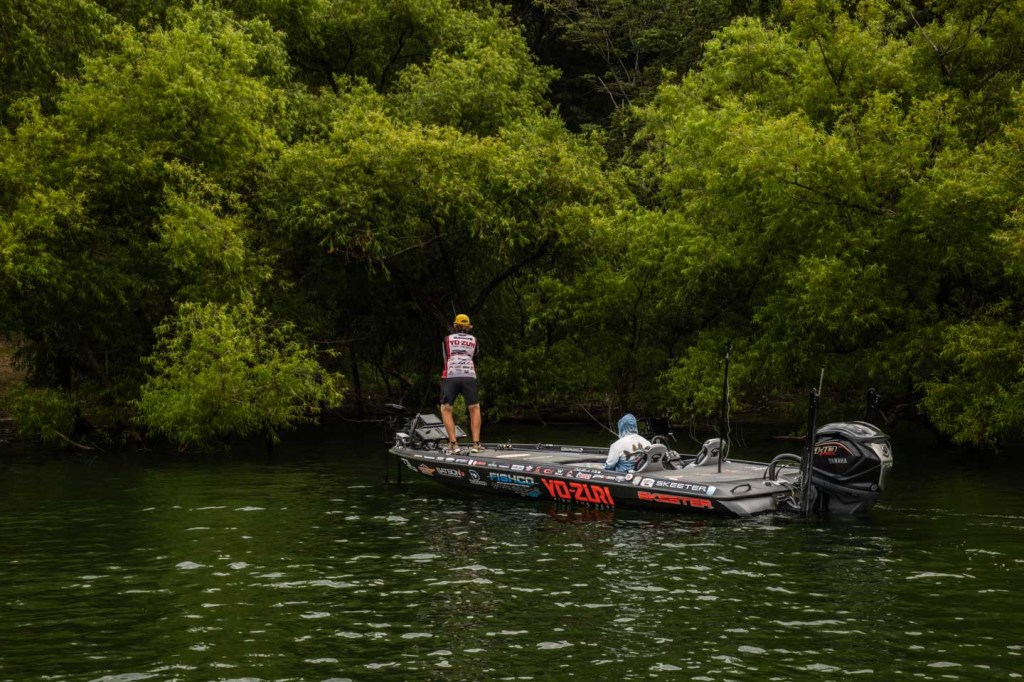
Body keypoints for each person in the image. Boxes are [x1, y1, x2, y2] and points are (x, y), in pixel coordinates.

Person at [440, 313, 482, 453]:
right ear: (468, 327)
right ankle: (476, 444)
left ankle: (453, 443)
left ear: (455, 326)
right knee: (474, 408)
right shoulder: (475, 340)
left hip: (451, 375)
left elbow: (445, 358)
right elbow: (475, 356)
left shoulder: (447, 339)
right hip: (469, 375)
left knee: (446, 409)